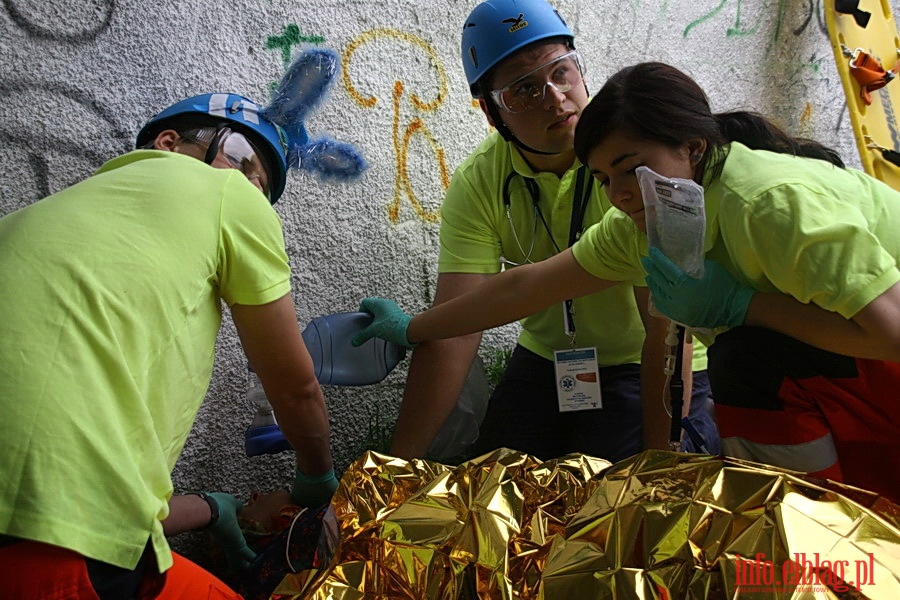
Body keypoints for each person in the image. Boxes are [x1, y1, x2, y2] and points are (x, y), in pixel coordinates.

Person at [352, 62, 900, 504]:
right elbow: (525, 289)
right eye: (603, 177)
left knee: (740, 361)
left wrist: (741, 306)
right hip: (827, 363)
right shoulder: (646, 218)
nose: (618, 193)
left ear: (692, 147)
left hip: (876, 352)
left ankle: (822, 531)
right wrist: (410, 328)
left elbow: (891, 334)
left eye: (630, 167)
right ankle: (812, 529)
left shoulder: (767, 204)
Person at [0, 92, 339, 598]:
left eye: (261, 187)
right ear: (169, 142)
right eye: (244, 158)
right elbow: (294, 388)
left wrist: (211, 508)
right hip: (54, 543)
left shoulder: (42, 220)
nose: (250, 184)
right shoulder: (226, 194)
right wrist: (318, 480)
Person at [389, 0, 719, 463]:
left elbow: (664, 330)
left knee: (611, 511)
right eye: (523, 90)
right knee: (490, 489)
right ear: (491, 114)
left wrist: (655, 464)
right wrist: (396, 466)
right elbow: (458, 326)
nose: (554, 96)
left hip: (645, 359)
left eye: (560, 72)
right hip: (548, 359)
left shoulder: (630, 165)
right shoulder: (480, 181)